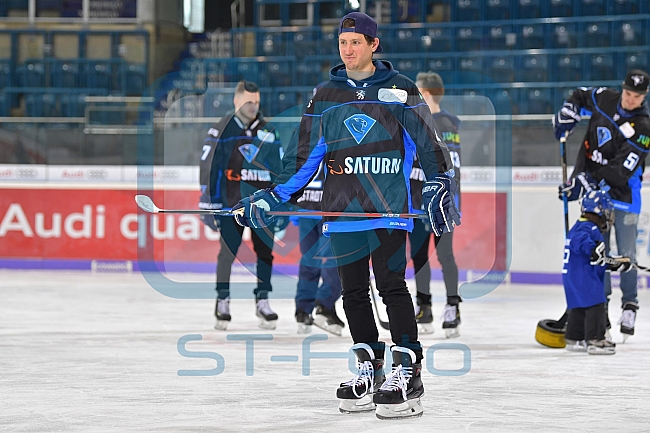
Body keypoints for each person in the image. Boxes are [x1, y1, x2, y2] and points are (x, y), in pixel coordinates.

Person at [232, 12, 459, 420]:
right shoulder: (325, 95)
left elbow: (428, 142)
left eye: (356, 42)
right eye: (343, 43)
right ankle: (369, 369)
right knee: (352, 291)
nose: (348, 50)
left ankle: (408, 372)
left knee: (391, 287)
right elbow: (304, 158)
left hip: (387, 208)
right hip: (342, 210)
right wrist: (272, 196)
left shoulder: (400, 89)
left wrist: (439, 182)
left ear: (374, 45)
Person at [555, 69, 650, 342]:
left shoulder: (644, 127)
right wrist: (569, 110)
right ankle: (601, 311)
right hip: (596, 196)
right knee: (598, 255)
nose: (631, 100)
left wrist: (584, 181)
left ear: (644, 97)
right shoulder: (605, 98)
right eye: (629, 94)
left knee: (627, 253)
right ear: (623, 89)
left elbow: (620, 171)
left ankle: (629, 306)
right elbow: (580, 95)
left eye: (638, 96)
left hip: (623, 199)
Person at [198, 80, 287, 331]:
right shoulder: (221, 129)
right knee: (227, 253)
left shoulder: (269, 130)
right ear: (236, 102)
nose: (253, 107)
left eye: (257, 102)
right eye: (249, 102)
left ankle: (263, 300)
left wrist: (280, 203)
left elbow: (278, 169)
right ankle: (222, 300)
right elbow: (208, 168)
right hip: (230, 205)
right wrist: (209, 201)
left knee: (265, 254)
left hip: (262, 206)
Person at [410, 71, 462, 337]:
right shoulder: (450, 123)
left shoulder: (438, 124)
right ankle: (425, 306)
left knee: (442, 256)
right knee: (421, 256)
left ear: (426, 95)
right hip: (421, 203)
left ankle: (451, 305)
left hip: (436, 202)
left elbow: (449, 168)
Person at [287, 126, 345, 336]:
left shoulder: (304, 132)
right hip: (326, 209)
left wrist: (293, 205)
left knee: (313, 260)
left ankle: (306, 309)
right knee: (334, 260)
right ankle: (322, 306)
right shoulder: (340, 129)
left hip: (311, 207)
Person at [562, 190, 632, 355]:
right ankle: (595, 338)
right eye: (607, 212)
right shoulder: (587, 227)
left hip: (574, 276)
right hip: (583, 277)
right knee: (596, 304)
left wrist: (615, 264)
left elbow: (596, 259)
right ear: (599, 211)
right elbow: (584, 244)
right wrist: (593, 249)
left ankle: (574, 337)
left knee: (579, 307)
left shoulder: (581, 225)